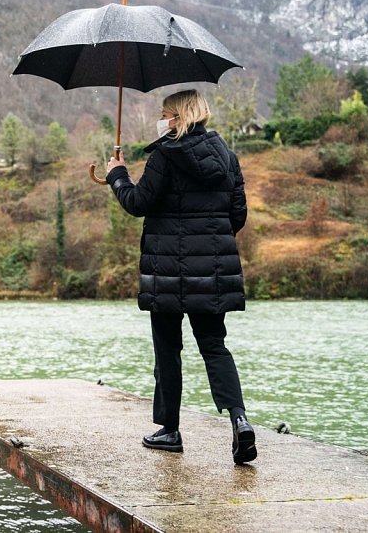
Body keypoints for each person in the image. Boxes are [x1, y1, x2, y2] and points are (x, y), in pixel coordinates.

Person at [105, 89, 256, 465]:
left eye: (165, 113)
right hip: (212, 272)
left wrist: (117, 175)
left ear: (179, 117)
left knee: (168, 350)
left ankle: (169, 430)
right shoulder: (227, 155)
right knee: (214, 346)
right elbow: (237, 216)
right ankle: (239, 420)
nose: (162, 119)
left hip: (167, 272)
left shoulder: (165, 154)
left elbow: (138, 203)